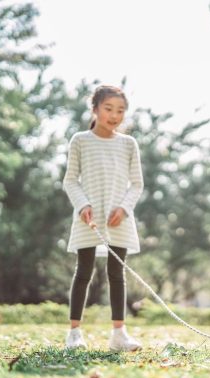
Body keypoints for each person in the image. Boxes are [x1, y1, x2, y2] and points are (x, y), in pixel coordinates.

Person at [62, 85, 144, 351]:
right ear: (95, 109)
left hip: (119, 218)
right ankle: (74, 334)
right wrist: (82, 205)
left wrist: (123, 208)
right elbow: (70, 180)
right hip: (89, 217)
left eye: (120, 110)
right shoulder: (80, 140)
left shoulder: (129, 144)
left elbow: (137, 184)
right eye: (108, 109)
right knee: (83, 271)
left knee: (116, 273)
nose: (114, 115)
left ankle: (119, 335)